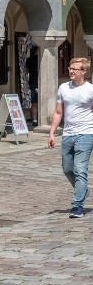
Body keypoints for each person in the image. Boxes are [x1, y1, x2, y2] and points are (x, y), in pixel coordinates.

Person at [48, 57, 93, 218]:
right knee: (68, 169)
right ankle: (83, 190)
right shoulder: (64, 88)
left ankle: (77, 206)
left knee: (80, 169)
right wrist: (52, 132)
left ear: (84, 71)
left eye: (75, 69)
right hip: (68, 134)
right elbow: (59, 112)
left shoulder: (90, 90)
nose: (71, 71)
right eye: (70, 68)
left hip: (86, 133)